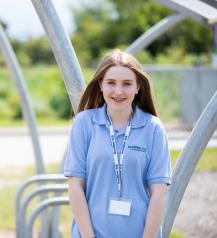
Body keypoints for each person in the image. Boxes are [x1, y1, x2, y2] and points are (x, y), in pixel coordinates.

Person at [64, 49, 171, 238]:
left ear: (138, 87)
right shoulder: (84, 123)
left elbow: (159, 193)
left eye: (127, 84)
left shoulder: (153, 128)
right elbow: (75, 186)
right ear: (101, 85)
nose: (118, 91)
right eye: (111, 83)